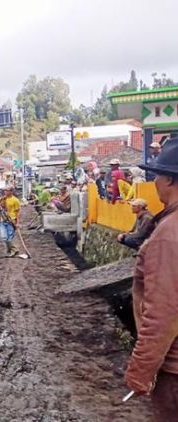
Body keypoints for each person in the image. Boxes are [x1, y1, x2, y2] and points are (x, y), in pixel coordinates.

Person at [125, 140, 178, 419]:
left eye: (157, 175)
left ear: (169, 179)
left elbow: (163, 313)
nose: (154, 181)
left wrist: (140, 371)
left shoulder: (169, 234)